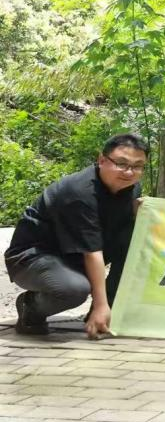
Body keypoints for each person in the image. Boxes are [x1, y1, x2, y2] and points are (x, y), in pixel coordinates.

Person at [6, 134, 146, 338]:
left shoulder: (131, 188)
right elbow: (92, 252)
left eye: (137, 166)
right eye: (122, 164)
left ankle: (105, 314)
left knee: (136, 241)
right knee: (74, 289)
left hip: (75, 256)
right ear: (102, 160)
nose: (129, 172)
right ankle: (31, 307)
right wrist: (100, 304)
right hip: (33, 258)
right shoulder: (79, 192)